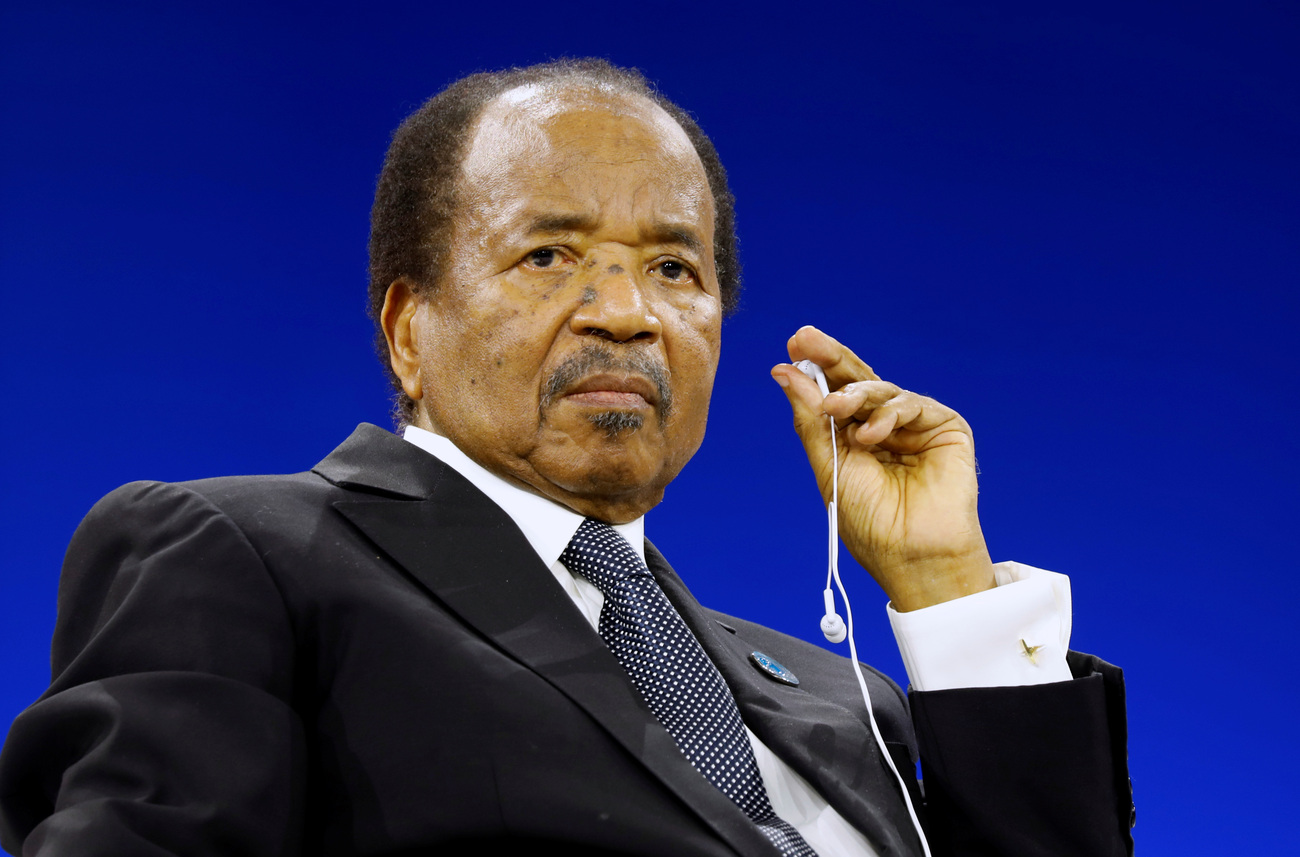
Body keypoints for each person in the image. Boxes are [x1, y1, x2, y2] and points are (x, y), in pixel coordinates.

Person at [0, 59, 1133, 857]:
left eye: (675, 270)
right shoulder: (246, 555)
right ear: (407, 330)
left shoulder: (849, 702)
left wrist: (945, 588)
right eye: (549, 255)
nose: (627, 313)